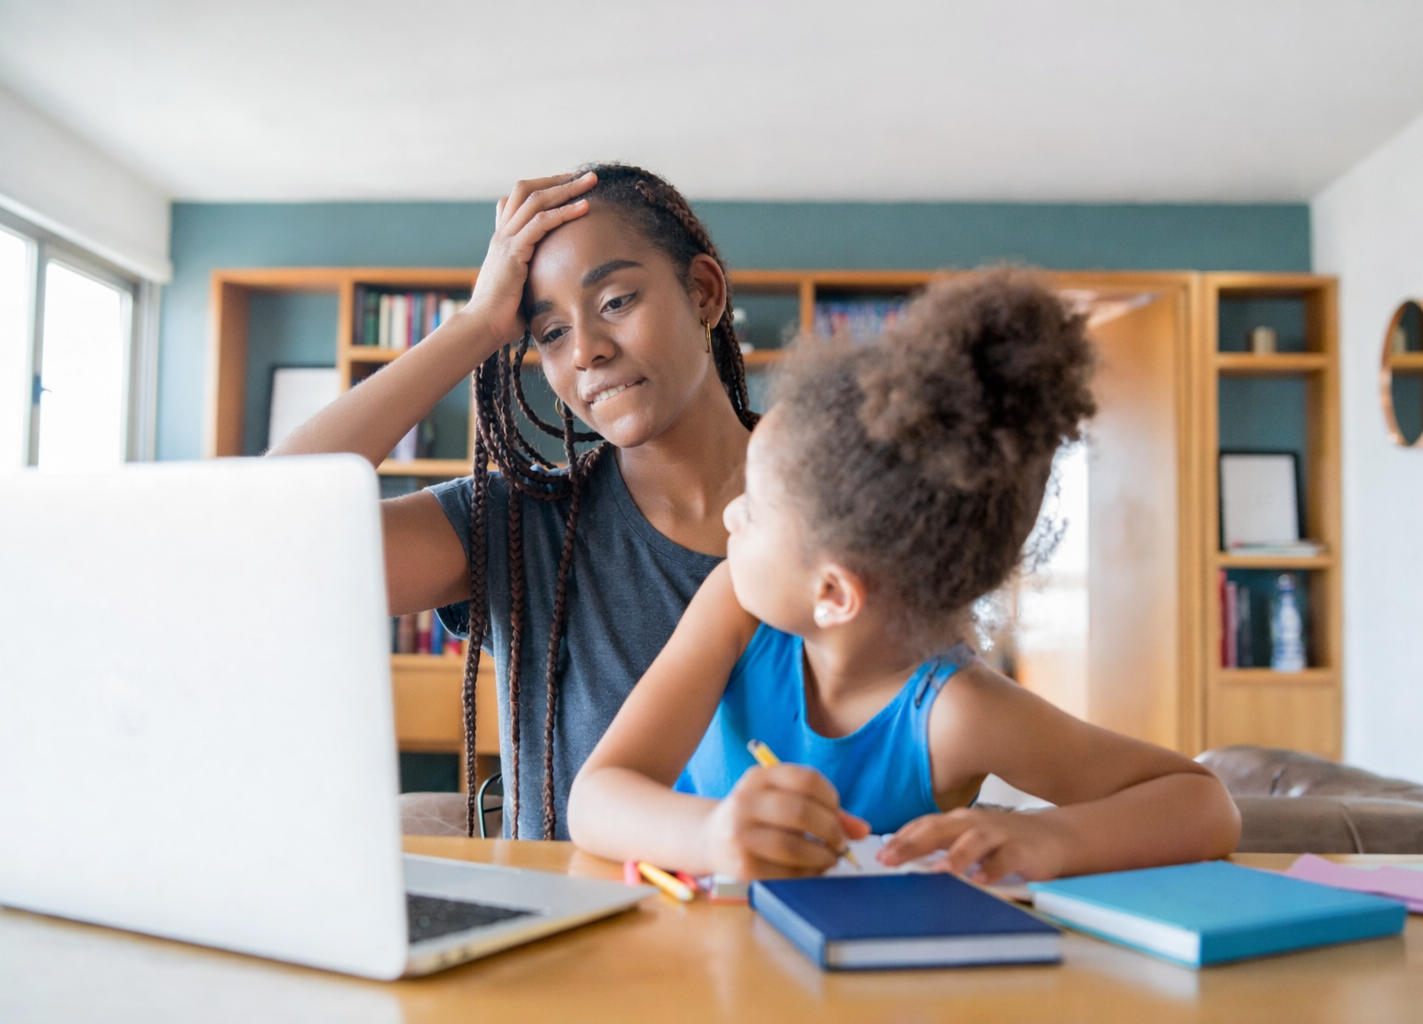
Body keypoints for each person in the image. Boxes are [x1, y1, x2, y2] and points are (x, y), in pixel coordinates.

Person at [568, 270, 1242, 881]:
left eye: (758, 507)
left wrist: (1048, 837)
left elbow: (1204, 804)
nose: (733, 513)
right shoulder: (734, 613)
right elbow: (597, 798)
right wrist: (712, 836)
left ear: (833, 593)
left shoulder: (958, 713)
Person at [271, 166, 757, 839]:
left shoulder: (840, 501)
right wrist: (473, 327)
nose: (587, 349)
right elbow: (271, 528)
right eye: (550, 332)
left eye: (616, 300)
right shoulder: (518, 519)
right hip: (573, 932)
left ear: (703, 292)